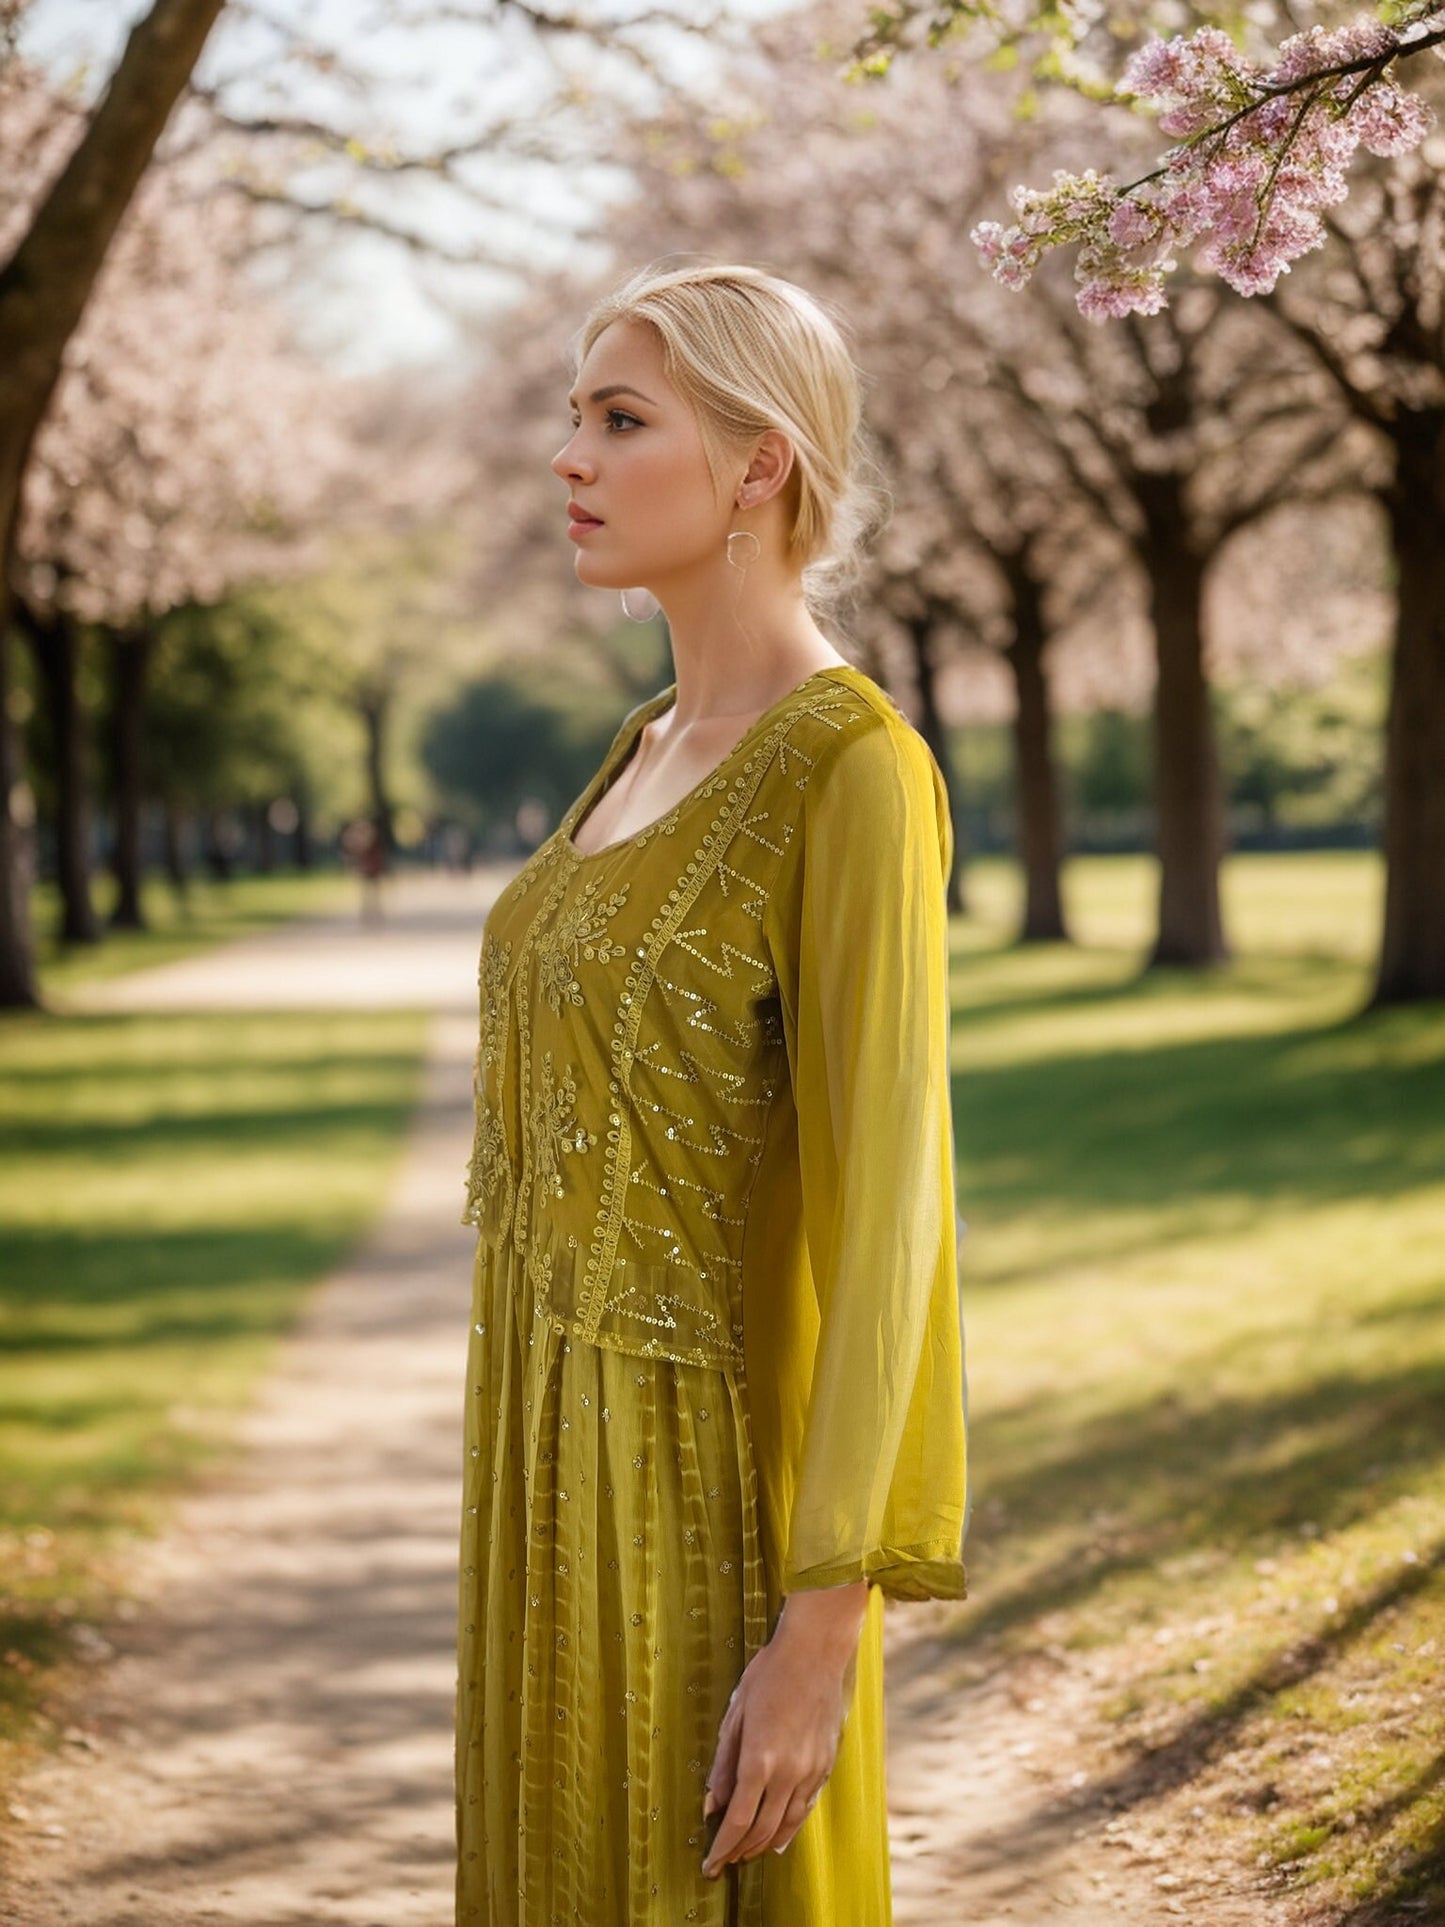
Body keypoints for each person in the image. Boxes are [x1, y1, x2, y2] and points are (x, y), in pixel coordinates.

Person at [455, 260, 970, 1926]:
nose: (570, 457)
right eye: (573, 417)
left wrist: (820, 1633)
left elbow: (891, 1224)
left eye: (621, 420)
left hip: (702, 1496)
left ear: (760, 465)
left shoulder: (851, 769)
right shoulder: (642, 740)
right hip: (537, 1457)